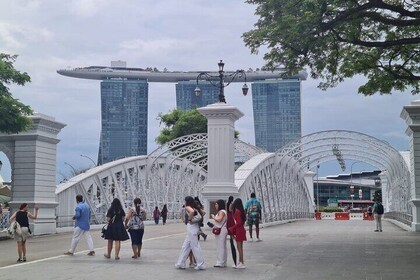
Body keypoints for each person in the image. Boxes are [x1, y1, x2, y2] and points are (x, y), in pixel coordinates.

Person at [175, 196, 206, 270]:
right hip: (194, 227)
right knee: (186, 246)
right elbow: (203, 213)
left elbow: (191, 212)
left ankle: (200, 264)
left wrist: (189, 219)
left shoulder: (188, 207)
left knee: (195, 246)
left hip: (191, 227)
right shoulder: (195, 206)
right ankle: (181, 262)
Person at [229, 198, 247, 269]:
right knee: (240, 247)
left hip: (239, 230)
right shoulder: (241, 211)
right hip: (241, 229)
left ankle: (241, 262)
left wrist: (232, 228)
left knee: (239, 248)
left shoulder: (237, 212)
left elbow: (238, 222)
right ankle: (240, 262)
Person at [211, 199, 227, 267]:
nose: (215, 205)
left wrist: (214, 217)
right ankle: (223, 261)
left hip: (221, 231)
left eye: (216, 204)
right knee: (222, 246)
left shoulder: (221, 211)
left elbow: (219, 219)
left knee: (220, 246)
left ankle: (220, 262)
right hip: (222, 230)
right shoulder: (223, 211)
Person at [226, 196, 237, 266]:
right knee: (231, 226)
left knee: (229, 225)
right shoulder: (231, 204)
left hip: (228, 215)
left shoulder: (227, 203)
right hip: (230, 215)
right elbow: (230, 210)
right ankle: (232, 235)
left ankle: (231, 235)